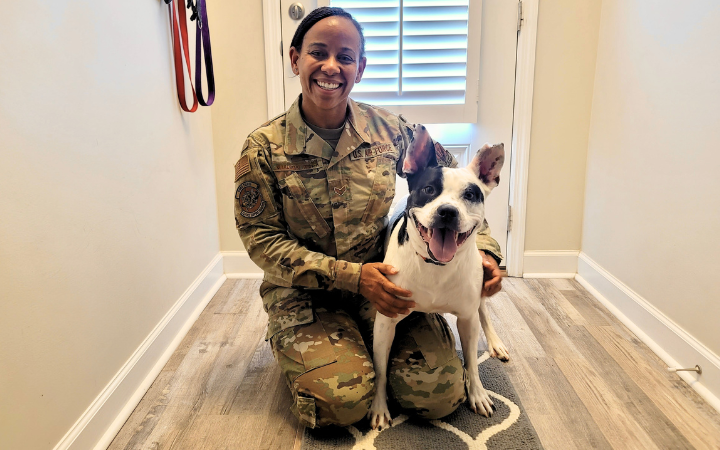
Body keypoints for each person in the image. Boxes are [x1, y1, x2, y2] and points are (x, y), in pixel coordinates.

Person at [234, 6, 503, 429]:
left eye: (345, 57)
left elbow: (459, 191)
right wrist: (353, 278)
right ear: (294, 59)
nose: (330, 67)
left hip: (390, 287)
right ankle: (317, 349)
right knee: (340, 405)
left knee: (438, 397)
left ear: (360, 68)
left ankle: (360, 346)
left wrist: (486, 252)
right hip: (307, 294)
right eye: (317, 52)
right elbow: (261, 240)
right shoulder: (263, 148)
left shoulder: (391, 130)